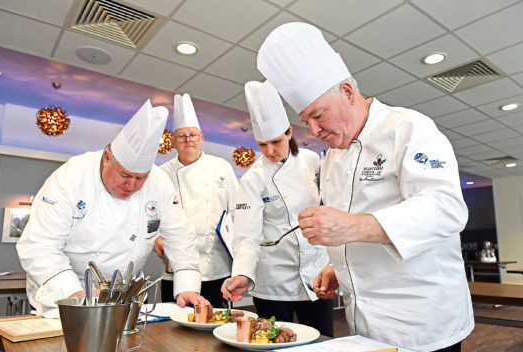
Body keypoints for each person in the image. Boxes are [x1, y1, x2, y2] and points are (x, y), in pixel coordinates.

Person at [257, 22, 473, 352]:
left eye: (318, 114)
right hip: (364, 326)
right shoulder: (331, 159)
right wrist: (335, 264)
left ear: (347, 91)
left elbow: (446, 209)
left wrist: (352, 228)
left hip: (423, 322)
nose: (313, 130)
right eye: (306, 120)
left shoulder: (409, 128)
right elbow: (346, 225)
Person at [17, 99, 208, 318]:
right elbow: (40, 245)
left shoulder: (159, 181)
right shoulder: (70, 177)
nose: (132, 186)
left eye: (140, 178)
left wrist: (187, 287)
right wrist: (75, 294)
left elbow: (180, 236)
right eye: (125, 175)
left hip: (124, 298)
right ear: (107, 158)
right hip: (66, 292)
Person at [221, 80, 333, 337]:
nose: (270, 151)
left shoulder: (311, 160)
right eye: (262, 144)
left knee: (322, 342)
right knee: (275, 347)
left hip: (315, 271)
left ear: (289, 133)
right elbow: (247, 235)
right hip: (273, 278)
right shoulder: (253, 179)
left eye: (275, 141)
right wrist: (242, 274)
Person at [154, 93, 239, 307]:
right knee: (177, 330)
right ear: (173, 142)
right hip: (176, 268)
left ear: (201, 138)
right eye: (182, 136)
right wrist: (155, 237)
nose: (188, 140)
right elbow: (150, 215)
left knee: (218, 326)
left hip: (217, 266)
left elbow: (237, 212)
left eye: (193, 135)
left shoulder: (221, 167)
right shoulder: (161, 174)